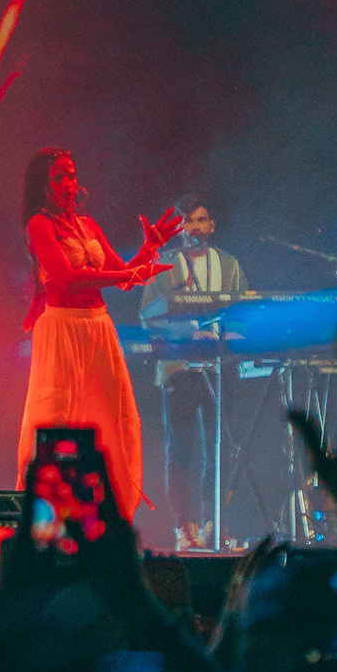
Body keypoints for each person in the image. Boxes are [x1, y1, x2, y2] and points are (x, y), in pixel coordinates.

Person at [16, 150, 177, 519]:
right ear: (43, 183)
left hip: (99, 327)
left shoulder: (88, 225)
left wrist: (149, 248)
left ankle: (112, 515)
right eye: (58, 176)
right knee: (55, 416)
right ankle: (43, 515)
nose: (68, 183)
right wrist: (127, 275)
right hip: (62, 327)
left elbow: (125, 276)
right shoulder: (40, 225)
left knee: (116, 418)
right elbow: (67, 279)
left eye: (71, 175)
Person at [140, 200, 254, 553]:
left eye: (200, 220)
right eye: (187, 222)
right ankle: (185, 526)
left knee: (225, 446)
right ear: (180, 229)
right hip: (180, 368)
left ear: (212, 225)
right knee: (183, 450)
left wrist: (235, 331)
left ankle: (218, 523)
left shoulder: (229, 264)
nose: (194, 228)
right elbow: (148, 315)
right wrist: (188, 332)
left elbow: (243, 308)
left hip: (222, 367)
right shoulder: (165, 264)